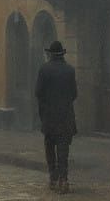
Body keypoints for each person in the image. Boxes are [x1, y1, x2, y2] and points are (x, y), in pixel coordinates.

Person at [35, 40, 78, 194]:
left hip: (49, 116)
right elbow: (74, 94)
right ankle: (64, 179)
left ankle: (53, 178)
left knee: (49, 147)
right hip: (65, 116)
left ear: (50, 55)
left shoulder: (44, 69)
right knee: (63, 149)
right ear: (62, 55)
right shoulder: (70, 70)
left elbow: (38, 93)